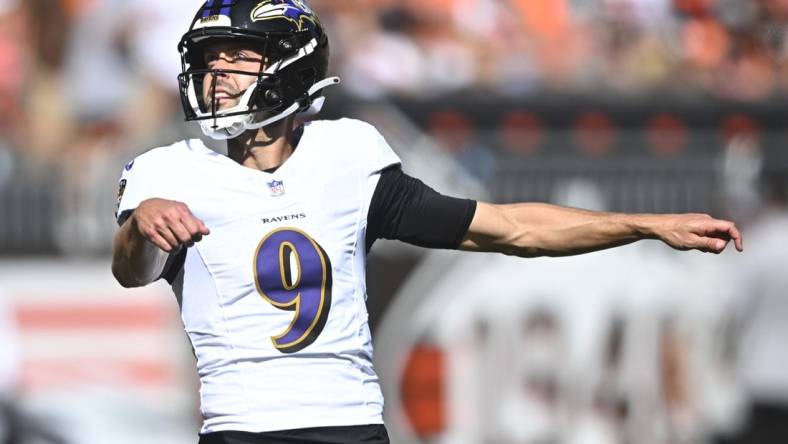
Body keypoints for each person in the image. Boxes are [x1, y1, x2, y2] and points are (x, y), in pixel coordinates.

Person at [110, 1, 743, 443]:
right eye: (210, 59)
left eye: (236, 57)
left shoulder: (347, 155)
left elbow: (509, 229)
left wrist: (642, 223)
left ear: (288, 64)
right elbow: (131, 272)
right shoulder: (171, 169)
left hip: (351, 422)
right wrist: (140, 225)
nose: (216, 75)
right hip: (239, 426)